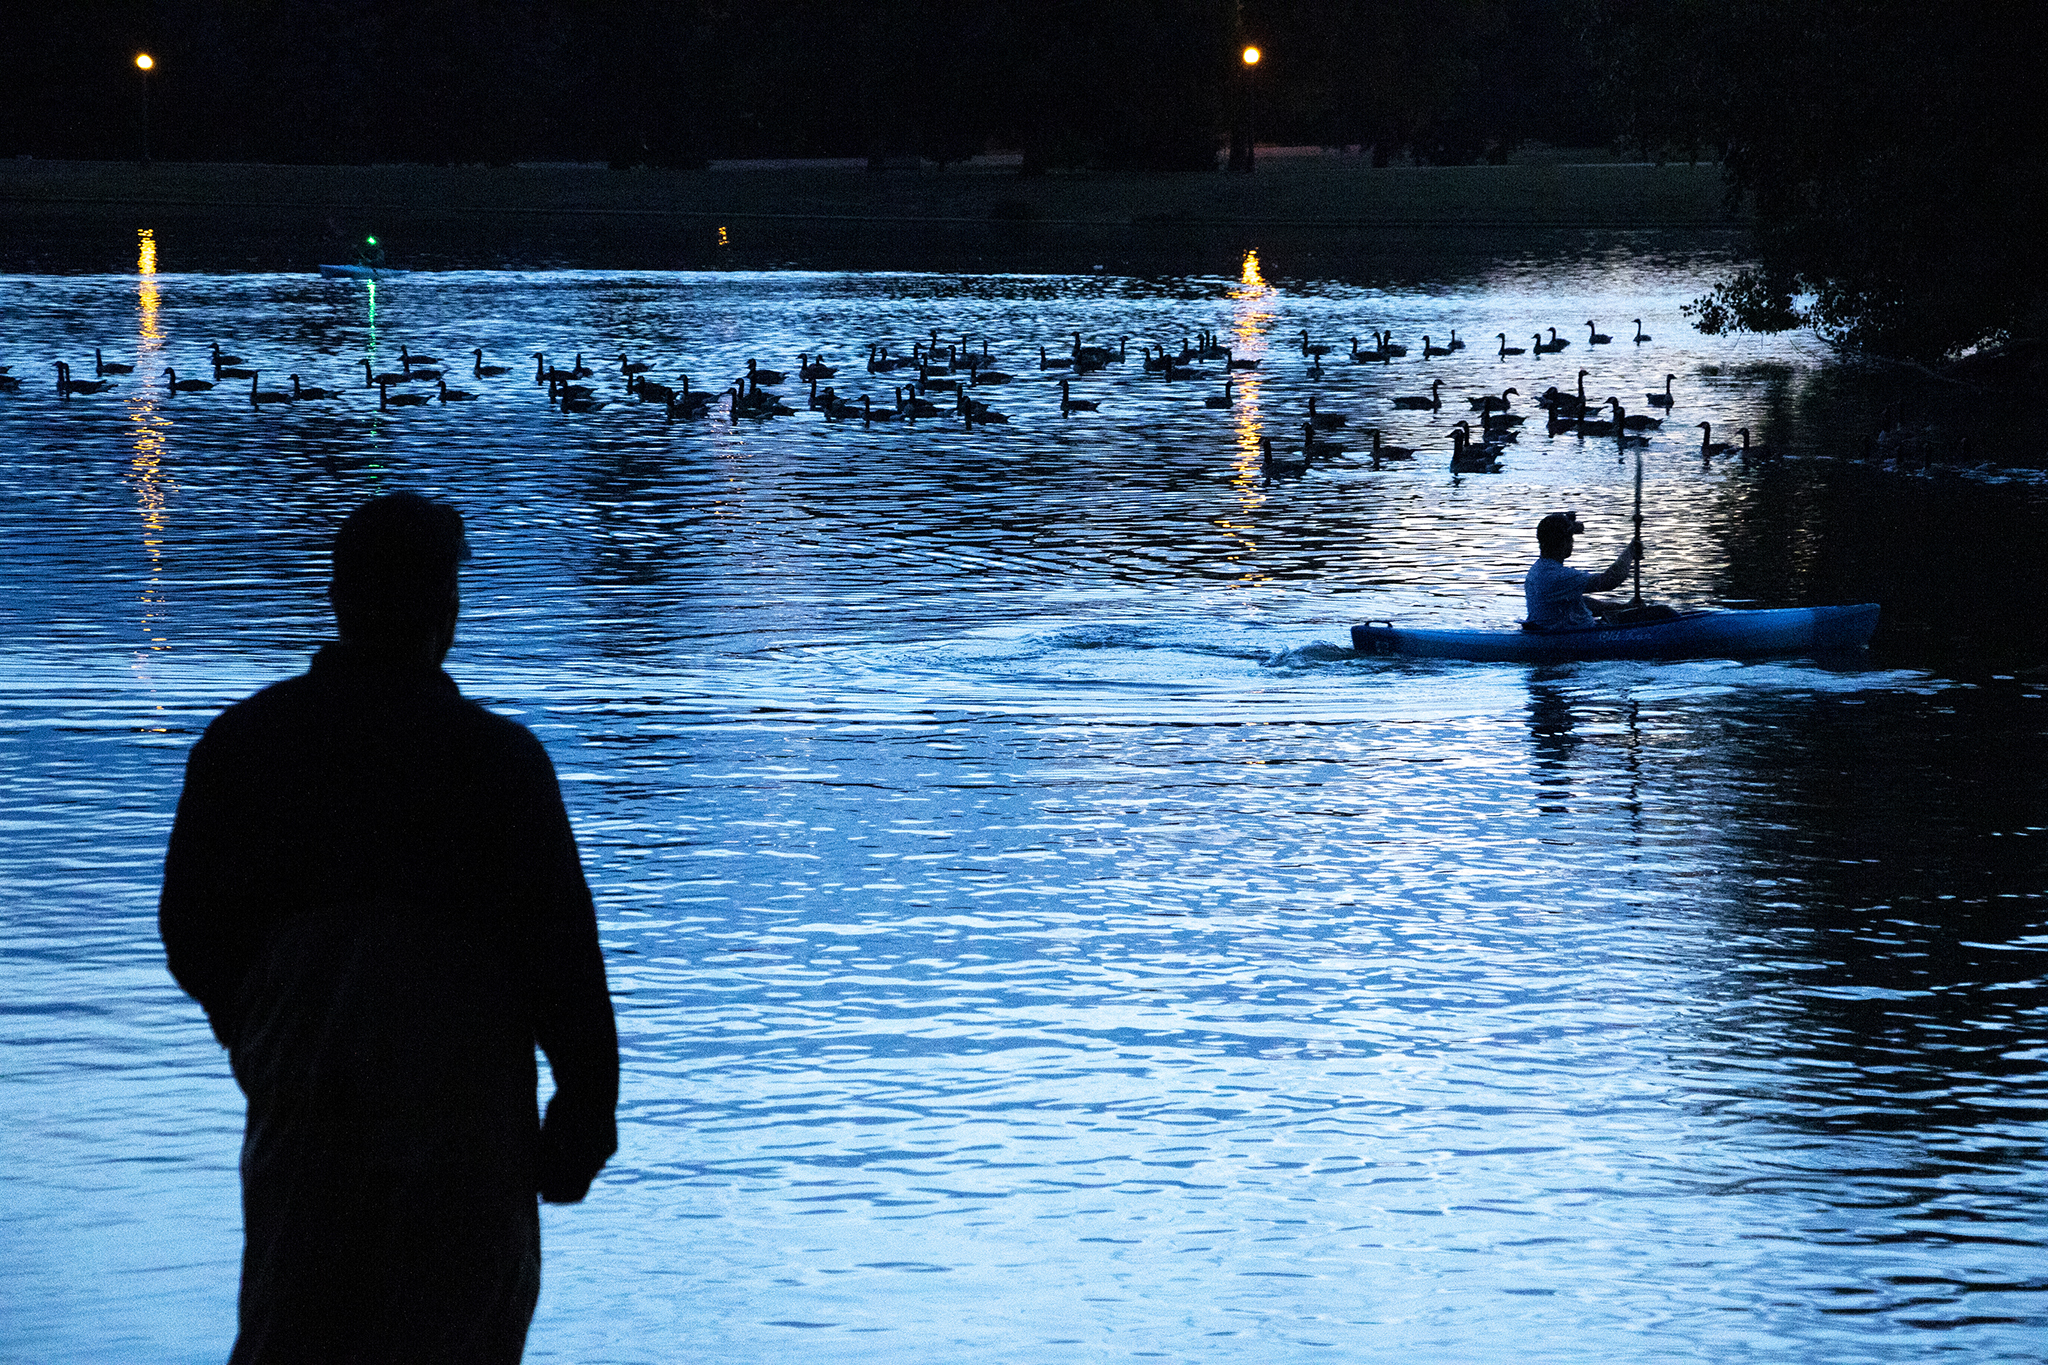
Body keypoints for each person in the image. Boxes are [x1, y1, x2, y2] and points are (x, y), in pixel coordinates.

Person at [160, 493, 618, 1364]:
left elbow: (190, 932)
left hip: (308, 1114)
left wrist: (264, 1030)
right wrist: (585, 1108)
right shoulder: (497, 765)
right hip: (466, 1126)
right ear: (447, 609)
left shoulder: (246, 746)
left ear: (339, 596)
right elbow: (563, 960)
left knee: (297, 1331)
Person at [1524, 510, 1640, 630]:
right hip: (1572, 638)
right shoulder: (1557, 576)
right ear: (1564, 542)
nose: (1573, 542)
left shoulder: (1537, 570)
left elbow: (1582, 603)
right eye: (1571, 537)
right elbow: (1610, 580)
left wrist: (1624, 608)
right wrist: (1631, 550)